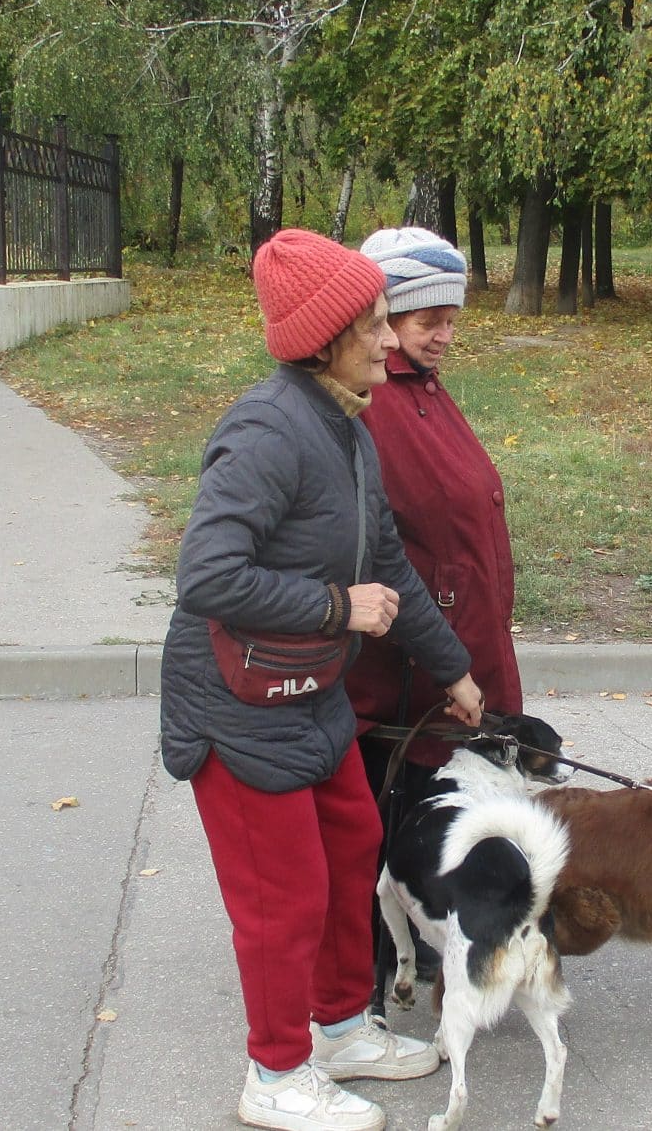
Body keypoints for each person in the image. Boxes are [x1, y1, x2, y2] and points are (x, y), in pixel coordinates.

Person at [159, 227, 487, 1131]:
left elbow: (387, 560)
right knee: (283, 900)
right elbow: (207, 577)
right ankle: (273, 1075)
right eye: (376, 323)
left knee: (352, 850)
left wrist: (452, 669)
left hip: (310, 696)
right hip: (235, 707)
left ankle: (341, 1025)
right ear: (328, 334)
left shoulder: (343, 423)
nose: (392, 341)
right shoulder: (266, 429)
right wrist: (339, 609)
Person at [344, 227, 526, 990]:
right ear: (385, 318)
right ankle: (370, 978)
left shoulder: (420, 388)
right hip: (409, 668)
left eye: (453, 317)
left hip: (458, 643)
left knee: (432, 808)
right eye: (429, 321)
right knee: (393, 816)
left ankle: (434, 939)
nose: (446, 334)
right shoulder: (372, 401)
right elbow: (379, 547)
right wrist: (442, 652)